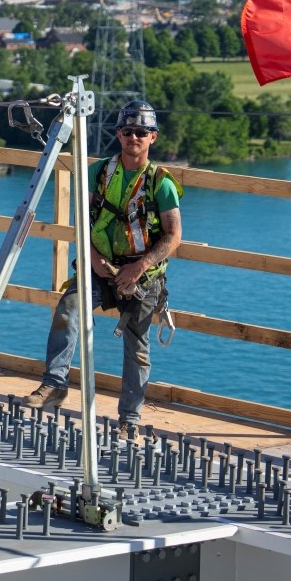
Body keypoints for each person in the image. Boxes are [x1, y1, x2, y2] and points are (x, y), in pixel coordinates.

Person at [28, 100, 182, 429]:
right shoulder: (98, 173)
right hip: (100, 265)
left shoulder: (161, 182)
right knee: (69, 308)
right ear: (119, 134)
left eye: (141, 132)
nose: (134, 137)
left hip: (141, 275)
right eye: (128, 131)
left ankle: (130, 419)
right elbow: (83, 220)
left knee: (137, 345)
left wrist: (140, 267)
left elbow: (173, 235)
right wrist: (94, 259)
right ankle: (54, 384)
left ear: (153, 137)